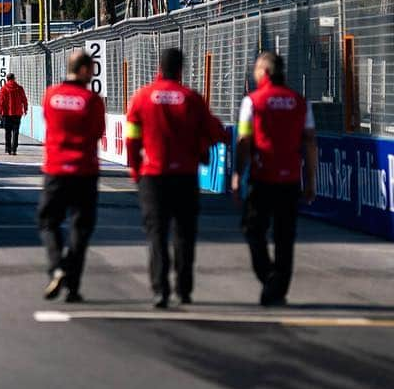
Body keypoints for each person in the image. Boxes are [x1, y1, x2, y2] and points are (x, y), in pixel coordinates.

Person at [125, 48, 227, 308]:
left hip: (153, 176)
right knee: (184, 233)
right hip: (184, 176)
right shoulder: (191, 99)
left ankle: (160, 290)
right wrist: (202, 145)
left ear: (159, 67)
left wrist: (136, 170)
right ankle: (184, 289)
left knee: (156, 234)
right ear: (181, 69)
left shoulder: (142, 97)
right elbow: (215, 131)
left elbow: (132, 138)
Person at [233, 52, 318, 307]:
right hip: (290, 180)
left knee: (253, 229)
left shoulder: (253, 102)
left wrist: (238, 174)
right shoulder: (301, 102)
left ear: (266, 73)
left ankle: (269, 277)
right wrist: (311, 181)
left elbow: (244, 141)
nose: (255, 74)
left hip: (262, 178)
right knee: (285, 236)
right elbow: (310, 143)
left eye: (257, 70)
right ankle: (278, 286)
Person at [39, 51, 106, 303]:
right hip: (84, 170)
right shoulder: (91, 99)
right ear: (85, 70)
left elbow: (49, 122)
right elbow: (98, 131)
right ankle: (73, 286)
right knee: (81, 228)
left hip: (55, 169)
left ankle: (57, 266)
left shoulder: (51, 95)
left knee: (48, 222)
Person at [0, 73, 29, 155]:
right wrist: (25, 109)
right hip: (18, 113)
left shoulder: (4, 89)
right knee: (16, 131)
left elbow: (1, 101)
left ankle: (8, 148)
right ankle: (14, 149)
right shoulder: (19, 88)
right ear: (14, 78)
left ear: (7, 79)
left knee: (7, 131)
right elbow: (24, 100)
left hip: (6, 113)